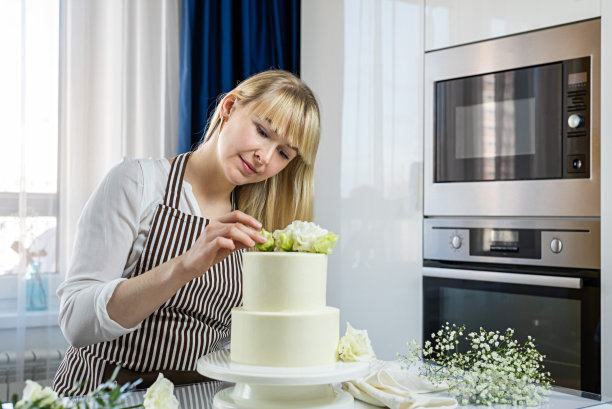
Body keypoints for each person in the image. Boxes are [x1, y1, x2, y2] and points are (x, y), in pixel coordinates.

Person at [53, 70, 321, 395]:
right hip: (107, 394)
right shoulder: (136, 183)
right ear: (229, 108)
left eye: (283, 153)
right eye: (263, 131)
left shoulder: (258, 227)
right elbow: (76, 323)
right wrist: (185, 266)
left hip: (204, 398)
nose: (264, 157)